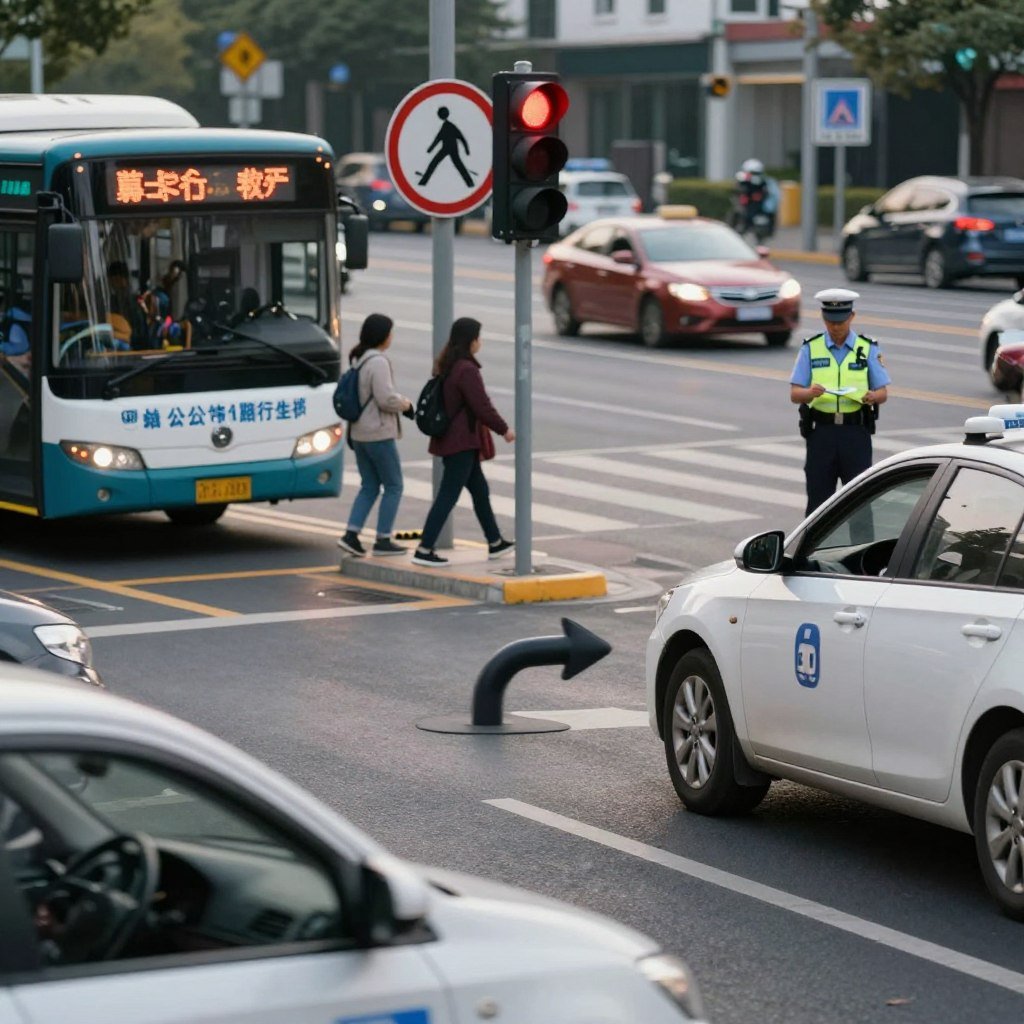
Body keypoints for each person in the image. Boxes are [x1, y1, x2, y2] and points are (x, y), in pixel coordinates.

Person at [412, 317, 515, 567]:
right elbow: (482, 406)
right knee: (448, 495)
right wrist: (504, 429)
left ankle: (495, 542)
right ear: (471, 341)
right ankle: (424, 548)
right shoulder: (466, 370)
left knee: (480, 490)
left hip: (456, 440)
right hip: (461, 443)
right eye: (479, 337)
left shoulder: (449, 364)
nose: (481, 342)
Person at [790, 288, 891, 516]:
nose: (836, 327)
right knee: (818, 504)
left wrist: (872, 397)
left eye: (841, 322)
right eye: (831, 322)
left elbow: (883, 392)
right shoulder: (811, 347)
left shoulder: (867, 347)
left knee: (859, 503)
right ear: (823, 317)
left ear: (851, 317)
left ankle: (860, 541)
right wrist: (810, 393)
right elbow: (795, 394)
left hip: (855, 433)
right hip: (821, 433)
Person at [338, 314, 414, 558]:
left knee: (369, 486)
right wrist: (406, 404)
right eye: (390, 332)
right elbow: (385, 398)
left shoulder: (359, 359)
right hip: (378, 434)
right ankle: (383, 539)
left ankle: (351, 535)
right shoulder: (378, 361)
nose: (392, 337)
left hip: (359, 433)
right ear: (382, 336)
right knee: (394, 485)